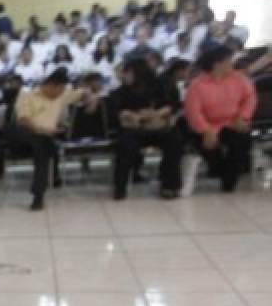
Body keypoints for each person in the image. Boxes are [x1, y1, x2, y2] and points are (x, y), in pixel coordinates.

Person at [6, 69, 94, 210]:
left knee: (43, 147)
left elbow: (83, 92)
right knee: (41, 141)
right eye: (60, 90)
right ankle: (39, 194)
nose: (61, 93)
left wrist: (90, 98)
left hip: (42, 139)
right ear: (51, 85)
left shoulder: (61, 95)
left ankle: (38, 196)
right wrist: (42, 130)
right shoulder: (27, 94)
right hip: (22, 134)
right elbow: (24, 119)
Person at [185, 46, 256, 193]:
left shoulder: (239, 79)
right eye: (228, 61)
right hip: (207, 125)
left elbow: (250, 98)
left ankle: (229, 181)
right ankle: (220, 172)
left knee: (241, 140)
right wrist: (206, 130)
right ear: (217, 64)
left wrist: (243, 117)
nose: (232, 64)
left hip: (232, 122)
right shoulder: (197, 85)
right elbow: (193, 112)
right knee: (208, 146)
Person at [109, 58, 183, 200]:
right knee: (124, 144)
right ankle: (120, 187)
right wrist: (131, 115)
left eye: (128, 73)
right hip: (134, 129)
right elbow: (116, 111)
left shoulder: (160, 87)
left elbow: (171, 105)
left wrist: (154, 114)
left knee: (174, 140)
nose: (125, 76)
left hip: (157, 126)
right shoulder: (122, 91)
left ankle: (169, 185)